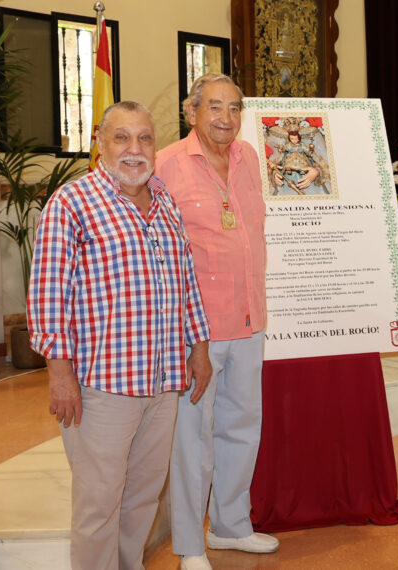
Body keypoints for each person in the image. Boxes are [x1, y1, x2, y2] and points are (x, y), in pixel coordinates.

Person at [28, 100, 212, 570]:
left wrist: (200, 348)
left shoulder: (164, 199)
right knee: (98, 505)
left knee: (142, 500)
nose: (135, 149)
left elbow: (185, 279)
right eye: (122, 138)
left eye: (145, 138)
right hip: (102, 387)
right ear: (100, 145)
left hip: (163, 380)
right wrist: (60, 374)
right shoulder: (72, 203)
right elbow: (48, 297)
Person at [155, 73, 274, 570]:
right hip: (197, 330)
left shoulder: (249, 158)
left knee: (242, 428)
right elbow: (160, 251)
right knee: (192, 440)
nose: (225, 118)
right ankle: (190, 544)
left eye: (233, 108)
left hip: (249, 319)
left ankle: (230, 526)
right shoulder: (166, 164)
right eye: (214, 108)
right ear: (192, 113)